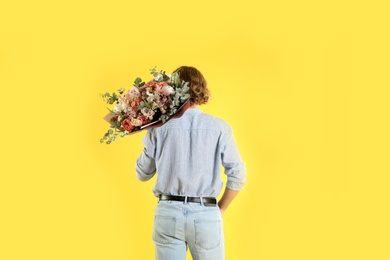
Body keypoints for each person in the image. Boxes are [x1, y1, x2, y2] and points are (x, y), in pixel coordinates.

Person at [135, 66, 247, 260]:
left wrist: (149, 133)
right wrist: (221, 208)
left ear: (171, 90)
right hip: (206, 213)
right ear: (201, 90)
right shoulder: (219, 127)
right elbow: (238, 174)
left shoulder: (158, 128)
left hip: (168, 212)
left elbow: (142, 174)